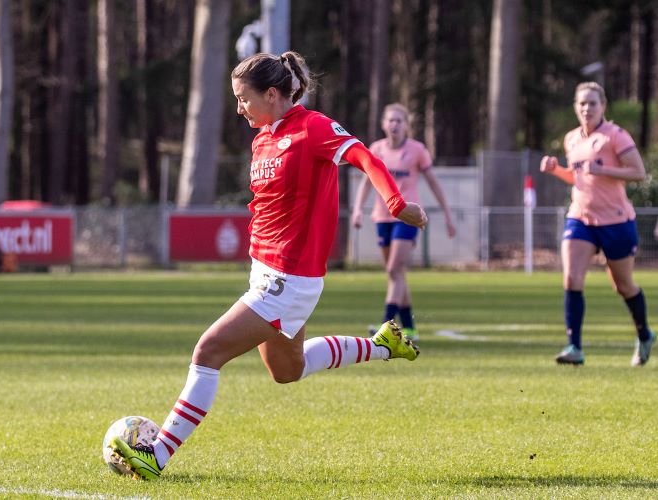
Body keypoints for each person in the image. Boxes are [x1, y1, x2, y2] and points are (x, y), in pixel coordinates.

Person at [110, 51, 428, 480]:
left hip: (288, 280)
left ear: (273, 93)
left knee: (207, 353)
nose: (239, 108)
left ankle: (158, 455)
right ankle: (384, 344)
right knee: (287, 370)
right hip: (266, 274)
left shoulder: (314, 128)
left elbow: (366, 159)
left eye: (244, 99)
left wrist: (395, 203)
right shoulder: (262, 137)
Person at [540, 81, 655, 366]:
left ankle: (644, 334)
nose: (586, 108)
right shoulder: (571, 139)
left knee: (624, 285)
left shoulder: (615, 136)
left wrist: (604, 169)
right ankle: (574, 347)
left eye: (592, 103)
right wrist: (557, 171)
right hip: (581, 217)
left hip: (616, 221)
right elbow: (579, 177)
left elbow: (639, 172)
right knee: (571, 278)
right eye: (582, 103)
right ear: (575, 107)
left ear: (603, 105)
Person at [351, 103, 456, 340]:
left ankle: (385, 325)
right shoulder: (376, 149)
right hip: (382, 216)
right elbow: (367, 182)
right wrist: (358, 210)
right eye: (390, 120)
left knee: (394, 269)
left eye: (399, 120)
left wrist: (448, 215)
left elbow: (434, 183)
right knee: (396, 274)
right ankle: (409, 328)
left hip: (407, 216)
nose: (394, 124)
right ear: (383, 124)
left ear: (407, 125)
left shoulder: (417, 150)